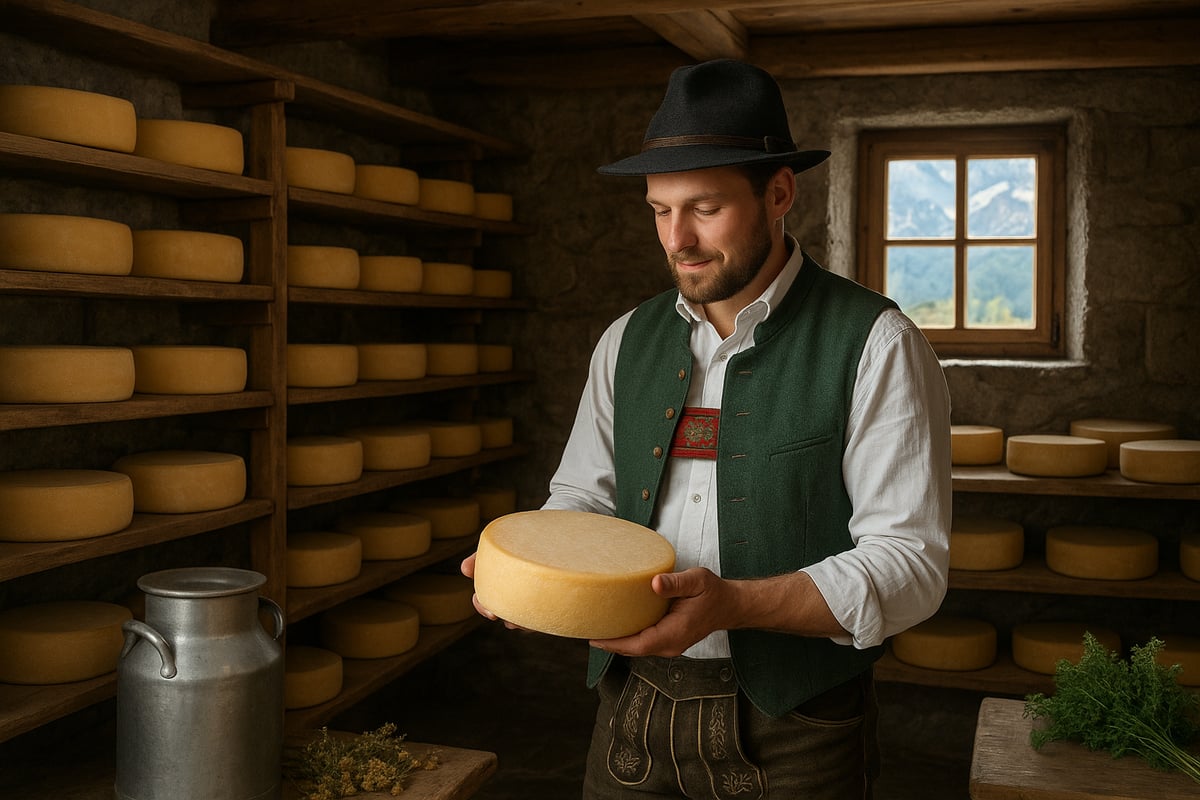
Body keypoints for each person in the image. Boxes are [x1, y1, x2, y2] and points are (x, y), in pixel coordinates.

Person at [463, 58, 951, 799]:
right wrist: (532, 579)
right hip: (630, 709)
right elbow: (581, 501)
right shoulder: (625, 339)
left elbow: (910, 566)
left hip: (798, 728)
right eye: (660, 209)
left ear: (780, 192)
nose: (677, 238)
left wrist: (737, 604)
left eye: (705, 207)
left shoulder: (876, 342)